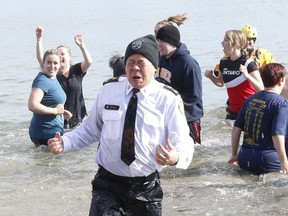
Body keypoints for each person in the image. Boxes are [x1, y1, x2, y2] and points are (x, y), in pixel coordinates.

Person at [48, 34, 194, 215]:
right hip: (108, 184)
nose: (135, 68)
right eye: (130, 62)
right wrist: (65, 142)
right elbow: (90, 129)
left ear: (154, 67)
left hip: (146, 187)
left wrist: (175, 157)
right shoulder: (109, 90)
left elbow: (183, 141)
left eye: (141, 62)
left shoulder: (168, 98)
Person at [228, 63, 288, 175]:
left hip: (245, 158)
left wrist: (234, 155)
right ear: (281, 80)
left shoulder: (249, 100)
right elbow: (277, 134)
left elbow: (236, 129)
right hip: (269, 160)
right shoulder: (282, 104)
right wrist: (284, 161)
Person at [35, 26, 93, 129]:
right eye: (58, 54)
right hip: (60, 120)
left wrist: (82, 46)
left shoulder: (77, 70)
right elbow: (41, 59)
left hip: (80, 119)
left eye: (63, 54)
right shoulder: (53, 73)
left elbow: (89, 62)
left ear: (69, 57)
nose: (60, 56)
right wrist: (39, 39)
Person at [155, 25, 203, 144]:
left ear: (172, 42)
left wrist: (171, 105)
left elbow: (194, 96)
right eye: (158, 41)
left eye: (162, 41)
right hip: (166, 117)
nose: (158, 44)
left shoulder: (189, 64)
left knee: (190, 157)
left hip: (188, 118)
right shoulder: (161, 59)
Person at [204, 30, 264, 120]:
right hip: (233, 110)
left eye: (225, 40)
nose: (222, 43)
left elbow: (261, 89)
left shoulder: (248, 63)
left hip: (250, 110)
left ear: (235, 44)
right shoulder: (224, 62)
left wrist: (247, 76)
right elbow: (221, 83)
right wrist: (211, 77)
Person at [28, 49, 72, 146]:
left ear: (60, 65)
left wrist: (61, 112)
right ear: (43, 63)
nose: (52, 66)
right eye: (48, 62)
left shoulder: (52, 78)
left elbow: (48, 101)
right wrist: (55, 111)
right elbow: (32, 105)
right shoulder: (42, 80)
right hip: (45, 133)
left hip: (49, 132)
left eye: (55, 63)